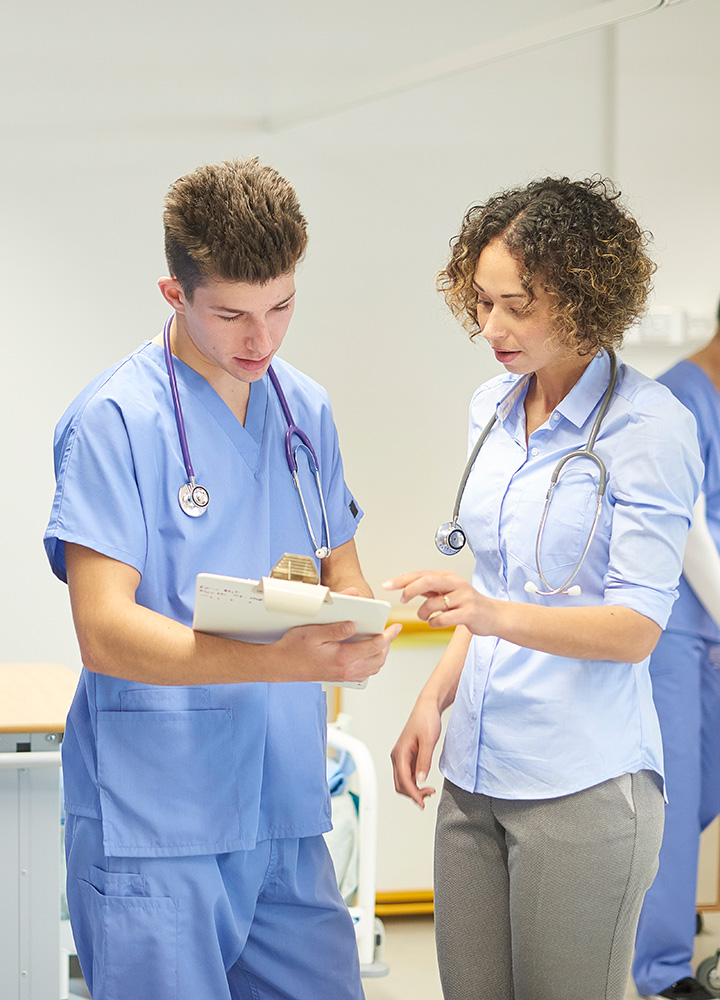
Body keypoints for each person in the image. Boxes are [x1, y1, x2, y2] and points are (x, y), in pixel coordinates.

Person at [44, 157, 400, 1000]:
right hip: (157, 813)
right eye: (232, 314)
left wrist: (359, 627)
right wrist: (281, 660)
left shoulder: (303, 408)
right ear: (174, 294)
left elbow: (343, 564)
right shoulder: (114, 421)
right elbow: (104, 631)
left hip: (283, 804)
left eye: (281, 308)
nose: (261, 341)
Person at [384, 176, 703, 1000]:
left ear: (584, 298)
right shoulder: (491, 407)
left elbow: (635, 628)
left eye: (516, 306)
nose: (491, 327)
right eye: (482, 302)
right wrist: (432, 700)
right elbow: (493, 586)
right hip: (474, 774)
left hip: (580, 781)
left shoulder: (650, 428)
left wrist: (490, 612)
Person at [633, 254, 720, 1000]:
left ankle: (646, 922)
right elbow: (689, 528)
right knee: (674, 798)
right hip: (676, 625)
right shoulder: (676, 397)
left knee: (708, 791)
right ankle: (663, 970)